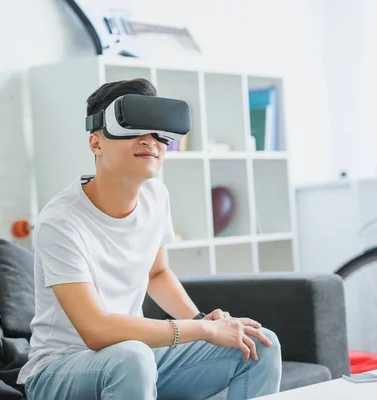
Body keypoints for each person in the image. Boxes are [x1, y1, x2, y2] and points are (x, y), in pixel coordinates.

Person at [17, 78, 282, 399]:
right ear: (96, 143)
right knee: (133, 356)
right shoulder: (61, 221)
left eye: (158, 130)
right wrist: (203, 330)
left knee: (258, 343)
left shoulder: (156, 196)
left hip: (132, 357)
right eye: (133, 127)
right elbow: (97, 331)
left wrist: (201, 319)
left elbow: (156, 274)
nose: (151, 140)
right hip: (60, 370)